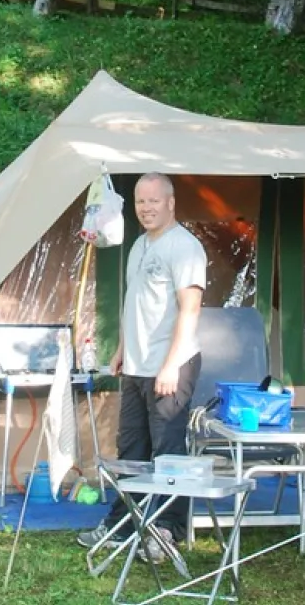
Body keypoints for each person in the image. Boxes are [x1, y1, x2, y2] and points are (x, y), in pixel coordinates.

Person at [77, 172, 207, 561]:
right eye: (140, 202)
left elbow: (191, 309)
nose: (146, 208)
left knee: (168, 451)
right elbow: (135, 304)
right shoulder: (138, 246)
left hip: (171, 365)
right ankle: (125, 523)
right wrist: (120, 348)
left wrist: (170, 365)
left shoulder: (184, 247)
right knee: (131, 447)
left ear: (170, 203)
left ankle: (167, 530)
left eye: (153, 201)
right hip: (135, 365)